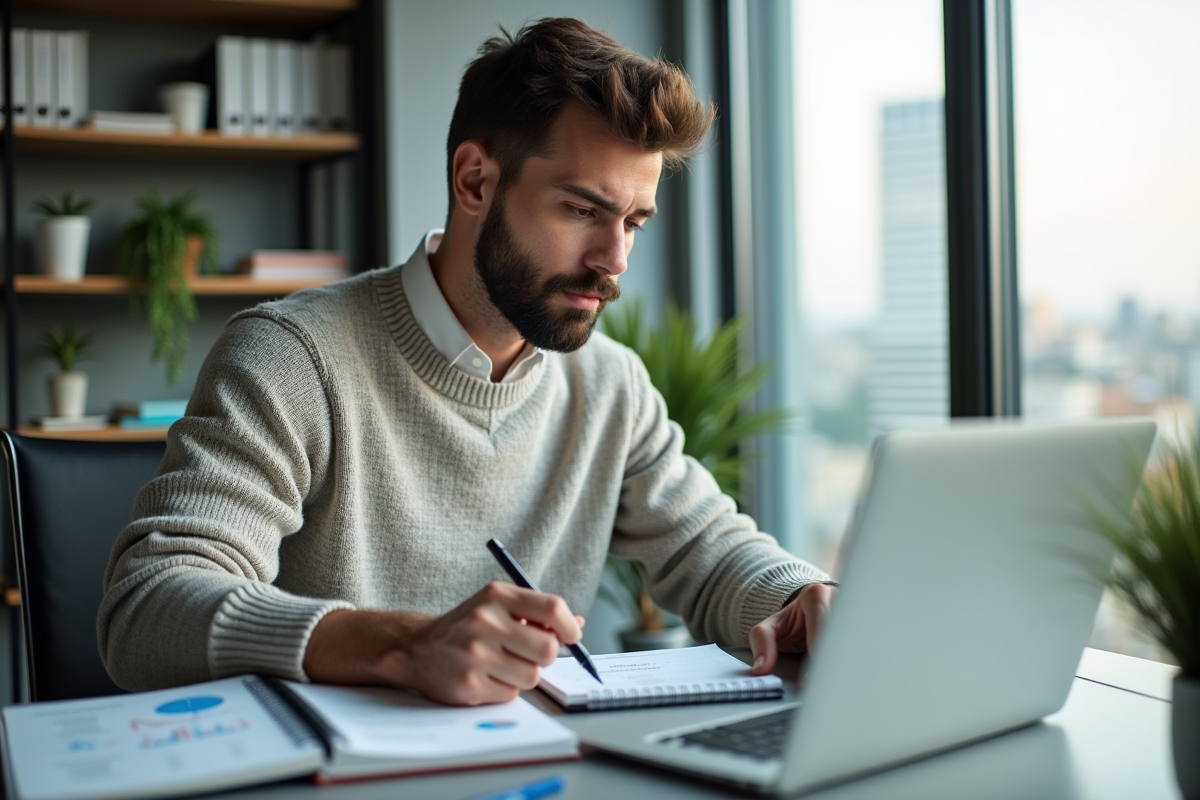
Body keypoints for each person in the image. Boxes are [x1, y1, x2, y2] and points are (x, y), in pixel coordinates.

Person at [98, 17, 835, 706]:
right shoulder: (294, 357)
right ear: (475, 180)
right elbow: (148, 605)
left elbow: (712, 551)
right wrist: (398, 644)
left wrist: (799, 598)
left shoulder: (608, 384)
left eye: (633, 220)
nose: (615, 260)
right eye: (581, 210)